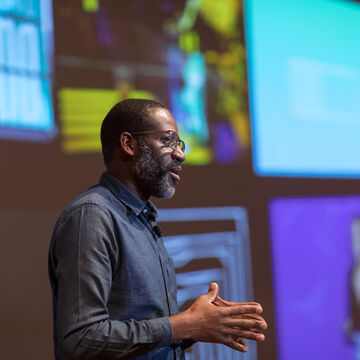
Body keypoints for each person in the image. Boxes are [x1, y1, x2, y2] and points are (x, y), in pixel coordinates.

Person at [48, 99, 267, 360]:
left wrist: (198, 326)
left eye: (179, 144)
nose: (180, 154)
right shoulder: (92, 216)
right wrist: (185, 324)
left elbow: (145, 337)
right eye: (167, 141)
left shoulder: (142, 220)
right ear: (128, 144)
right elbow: (81, 339)